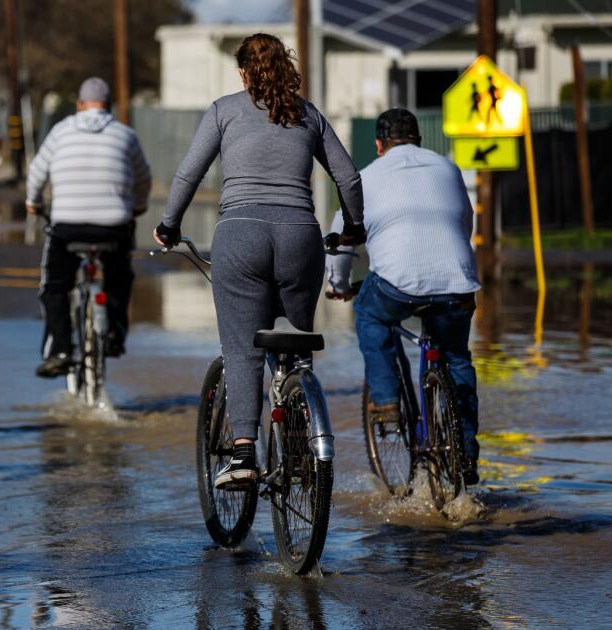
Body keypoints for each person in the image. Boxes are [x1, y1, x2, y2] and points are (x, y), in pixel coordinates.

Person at [153, 33, 364, 490]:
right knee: (293, 350)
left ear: (244, 72)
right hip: (300, 238)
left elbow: (189, 172)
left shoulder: (225, 110)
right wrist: (354, 227)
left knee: (243, 348)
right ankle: (302, 449)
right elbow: (347, 176)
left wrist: (169, 226)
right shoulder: (306, 113)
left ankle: (245, 452)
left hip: (240, 236)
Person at [326, 108, 482, 485]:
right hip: (457, 282)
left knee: (370, 314)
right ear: (418, 140)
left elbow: (341, 242)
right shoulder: (448, 169)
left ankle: (386, 401)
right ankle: (465, 459)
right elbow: (465, 223)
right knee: (456, 357)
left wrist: (339, 285)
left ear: (379, 145)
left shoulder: (364, 178)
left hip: (397, 284)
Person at [26, 76, 152, 377]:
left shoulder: (60, 131)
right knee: (120, 277)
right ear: (108, 106)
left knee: (55, 286)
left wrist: (33, 202)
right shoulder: (125, 134)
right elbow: (143, 177)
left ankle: (59, 349)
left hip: (67, 225)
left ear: (80, 105)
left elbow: (36, 172)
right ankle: (114, 335)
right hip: (114, 226)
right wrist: (139, 205)